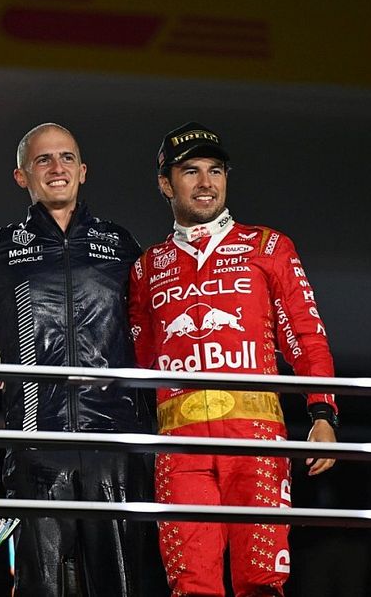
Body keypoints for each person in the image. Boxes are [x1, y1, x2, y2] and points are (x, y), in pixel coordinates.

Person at [127, 122, 339, 597]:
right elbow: (141, 365)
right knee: (190, 585)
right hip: (179, 447)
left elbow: (305, 336)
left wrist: (322, 412)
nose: (206, 183)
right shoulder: (145, 268)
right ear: (165, 183)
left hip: (257, 440)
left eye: (215, 170)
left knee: (262, 584)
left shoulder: (268, 246)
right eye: (191, 172)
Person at [0, 123, 167, 597]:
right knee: (40, 588)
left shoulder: (124, 246)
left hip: (117, 445)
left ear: (83, 171)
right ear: (21, 176)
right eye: (42, 160)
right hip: (36, 444)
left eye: (66, 158)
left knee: (121, 586)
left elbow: (159, 332)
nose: (56, 167)